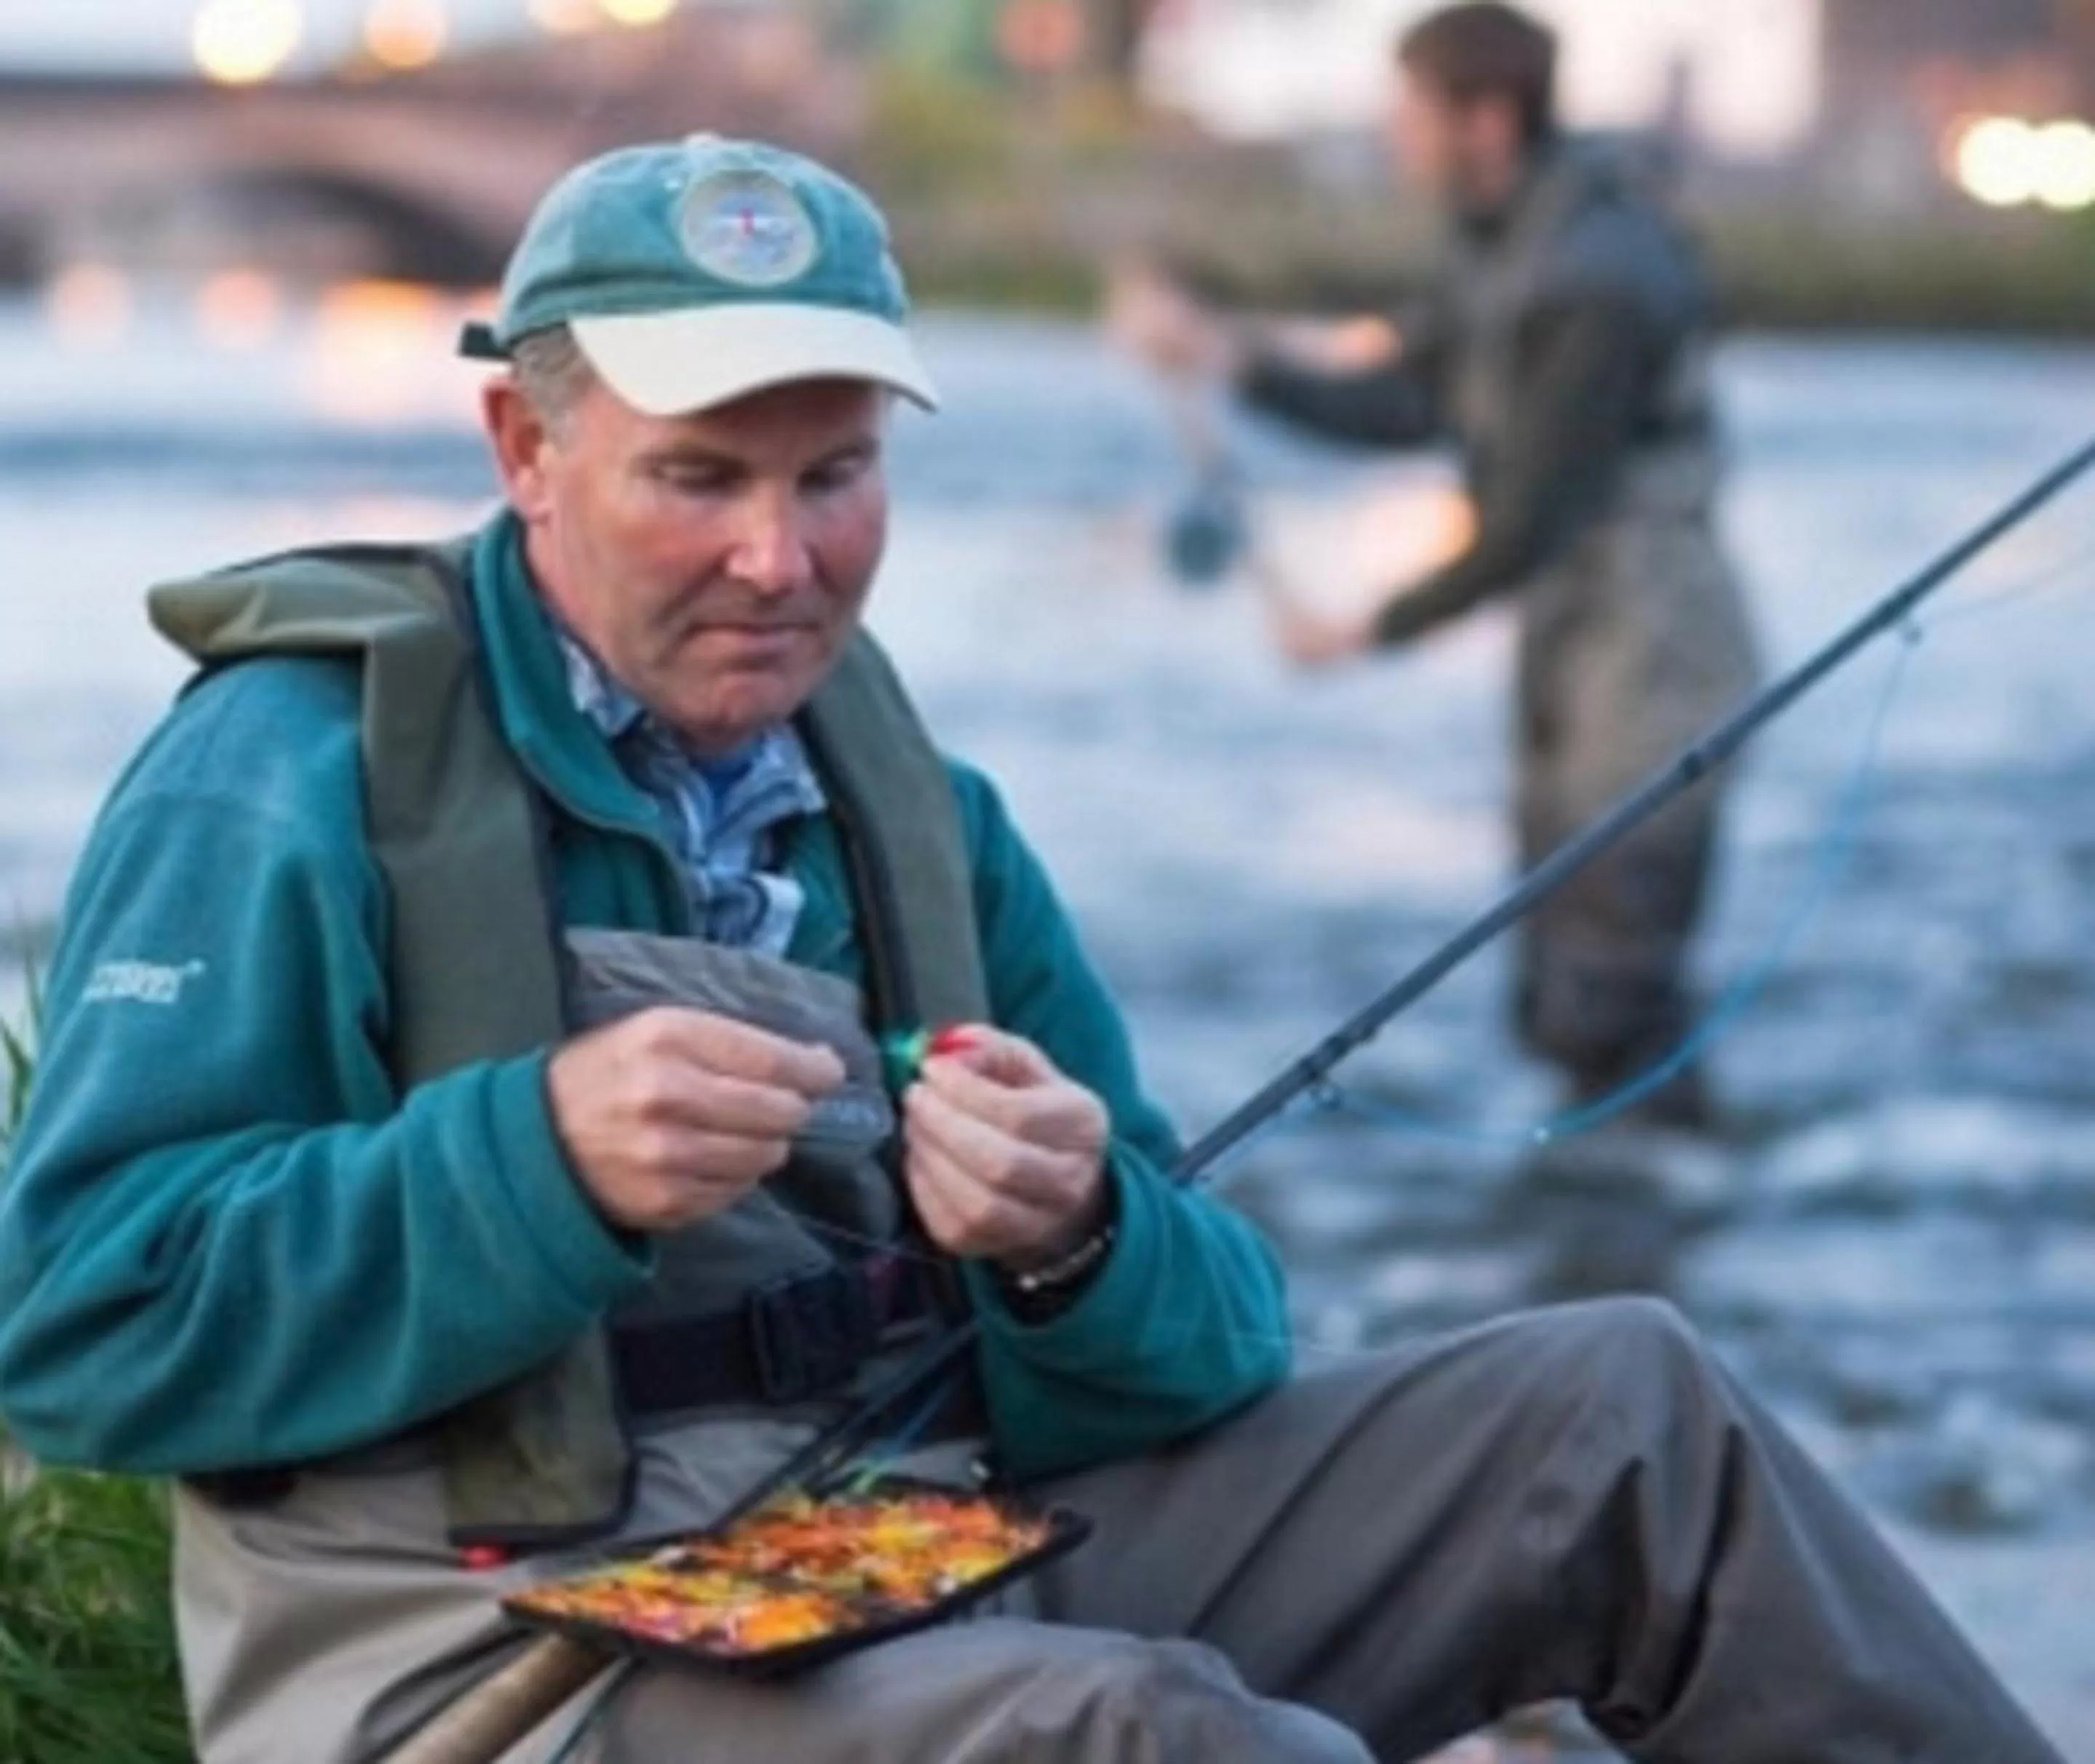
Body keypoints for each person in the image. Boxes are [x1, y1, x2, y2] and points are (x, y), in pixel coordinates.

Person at [0, 137, 2060, 1764]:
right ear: (525, 454)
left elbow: (1209, 1344)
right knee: (1129, 1733)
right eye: (695, 478)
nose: (778, 559)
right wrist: (524, 1166)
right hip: (495, 1660)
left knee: (1626, 1410)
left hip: (909, 1562)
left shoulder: (924, 813)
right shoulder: (277, 776)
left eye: (836, 477)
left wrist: (1072, 1240)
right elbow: (77, 1324)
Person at [1114, 1, 1762, 1131]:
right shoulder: (1509, 245)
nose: (1396, 138)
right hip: (1577, 639)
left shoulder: (1601, 275)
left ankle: (1661, 1212)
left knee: (1612, 984)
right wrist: (1227, 358)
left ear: (1486, 119)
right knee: (1558, 992)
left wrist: (1360, 628)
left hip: (1658, 652)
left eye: (1409, 114)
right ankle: (1613, 1219)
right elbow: (1404, 401)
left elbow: (1529, 520)